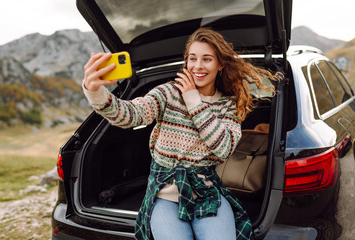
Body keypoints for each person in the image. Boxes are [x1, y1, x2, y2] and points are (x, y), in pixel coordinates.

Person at [82, 28, 280, 240]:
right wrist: (95, 92)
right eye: (192, 58)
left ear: (220, 64)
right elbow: (131, 115)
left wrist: (193, 100)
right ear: (186, 62)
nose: (198, 66)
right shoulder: (167, 93)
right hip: (165, 197)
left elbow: (223, 148)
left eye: (207, 59)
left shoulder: (227, 105)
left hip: (207, 193)